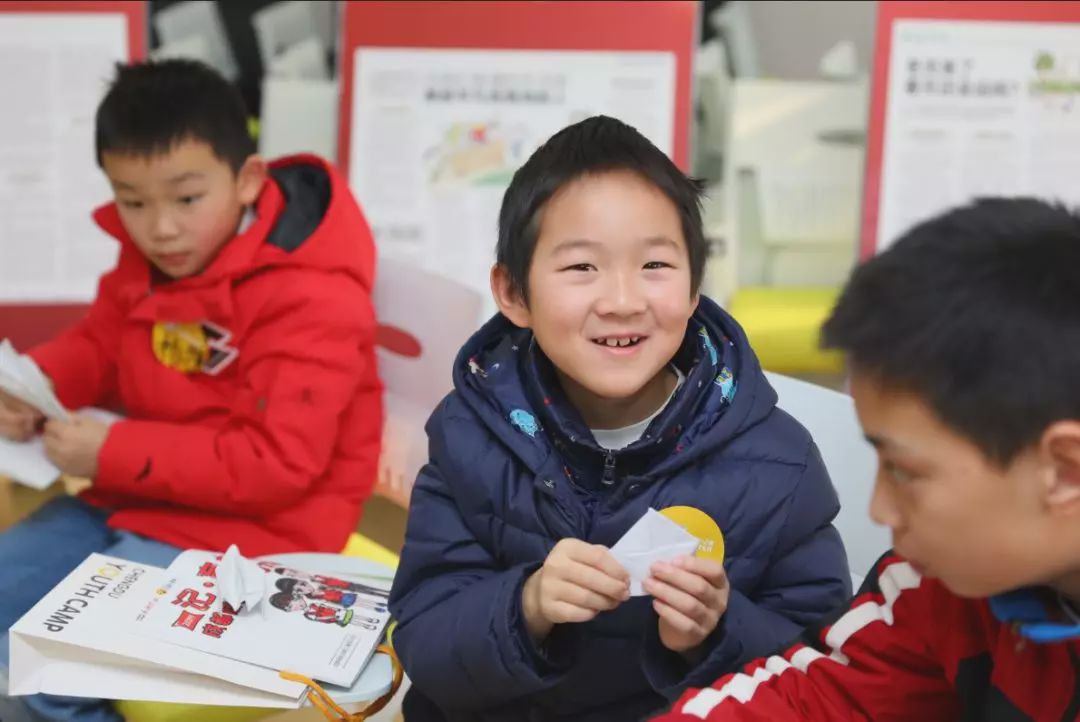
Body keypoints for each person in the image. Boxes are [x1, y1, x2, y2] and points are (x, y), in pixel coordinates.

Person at [388, 116, 851, 722]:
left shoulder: (778, 462)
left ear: (693, 289)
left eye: (655, 266)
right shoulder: (471, 431)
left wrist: (714, 632)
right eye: (582, 268)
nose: (623, 301)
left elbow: (821, 668)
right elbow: (424, 637)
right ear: (513, 294)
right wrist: (524, 605)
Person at [0, 58, 381, 722]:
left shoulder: (314, 296)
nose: (160, 228)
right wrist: (37, 386)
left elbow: (278, 466)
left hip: (260, 533)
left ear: (246, 180)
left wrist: (111, 452)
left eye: (185, 197)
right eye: (132, 201)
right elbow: (102, 343)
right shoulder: (149, 260)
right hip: (143, 496)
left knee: (59, 663)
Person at [652, 197, 1080, 722]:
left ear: (1064, 471)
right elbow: (815, 697)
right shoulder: (944, 586)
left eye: (906, 471)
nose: (880, 509)